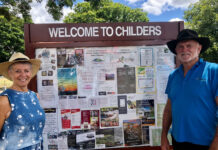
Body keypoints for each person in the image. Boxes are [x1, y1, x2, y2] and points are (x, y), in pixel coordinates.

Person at [161, 29, 218, 150]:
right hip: (177, 140)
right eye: (180, 46)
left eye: (189, 46)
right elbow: (169, 109)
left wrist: (216, 142)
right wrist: (163, 136)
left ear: (199, 48)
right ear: (176, 51)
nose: (184, 49)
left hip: (206, 142)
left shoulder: (213, 71)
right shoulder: (173, 75)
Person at [0, 52, 45, 150]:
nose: (23, 75)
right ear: (10, 73)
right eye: (17, 71)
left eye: (26, 71)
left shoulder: (35, 96)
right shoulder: (4, 100)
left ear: (31, 72)